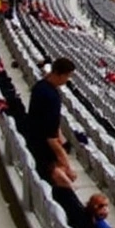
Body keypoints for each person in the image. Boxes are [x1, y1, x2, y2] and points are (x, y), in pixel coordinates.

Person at [27, 57, 77, 187]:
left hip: (32, 135)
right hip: (40, 147)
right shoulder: (52, 98)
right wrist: (67, 166)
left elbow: (53, 127)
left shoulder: (40, 86)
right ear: (60, 74)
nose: (68, 80)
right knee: (67, 180)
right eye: (68, 76)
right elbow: (51, 139)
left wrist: (61, 137)